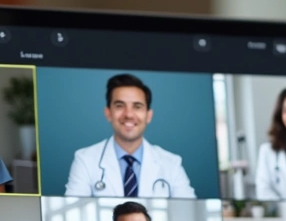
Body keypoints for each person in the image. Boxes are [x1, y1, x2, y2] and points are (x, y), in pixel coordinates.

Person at [66, 74, 196, 198]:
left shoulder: (172, 163)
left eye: (137, 107)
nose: (128, 114)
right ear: (108, 113)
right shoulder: (85, 160)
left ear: (149, 115)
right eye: (119, 106)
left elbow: (190, 208)